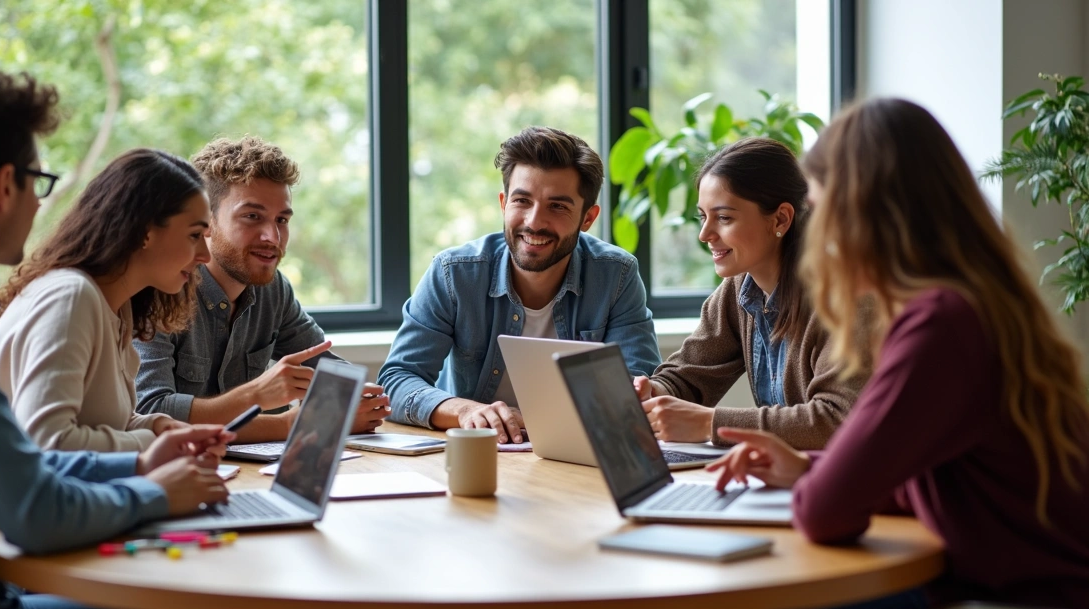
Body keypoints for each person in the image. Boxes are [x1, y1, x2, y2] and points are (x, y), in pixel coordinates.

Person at [672, 98, 1089, 609]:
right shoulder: (973, 302)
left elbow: (827, 515)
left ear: (865, 212)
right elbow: (934, 473)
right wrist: (806, 469)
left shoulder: (940, 326)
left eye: (822, 210)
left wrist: (817, 482)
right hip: (993, 590)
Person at [0, 64, 250, 609]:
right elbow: (32, 511)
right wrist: (150, 491)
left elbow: (16, 465)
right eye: (38, 183)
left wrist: (137, 462)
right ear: (5, 186)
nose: (38, 205)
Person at [378, 126, 660, 448]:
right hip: (477, 453)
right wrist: (467, 411)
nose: (534, 222)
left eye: (558, 206)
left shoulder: (616, 276)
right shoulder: (454, 274)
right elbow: (395, 382)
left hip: (574, 456)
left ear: (588, 218)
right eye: (522, 200)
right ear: (503, 203)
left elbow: (638, 387)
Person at [134, 136, 390, 443]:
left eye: (281, 220)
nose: (272, 236)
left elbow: (327, 369)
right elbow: (149, 412)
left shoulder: (273, 289)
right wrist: (296, 423)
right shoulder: (160, 286)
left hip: (249, 474)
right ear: (207, 222)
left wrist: (358, 399)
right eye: (252, 216)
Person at [633, 137, 867, 450]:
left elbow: (837, 421)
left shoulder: (848, 295)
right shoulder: (739, 289)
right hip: (786, 480)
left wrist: (708, 423)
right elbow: (687, 377)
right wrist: (651, 392)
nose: (705, 235)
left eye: (724, 218)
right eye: (703, 217)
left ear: (781, 219)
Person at [0, 148, 222, 454]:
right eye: (195, 235)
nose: (205, 256)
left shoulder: (118, 306)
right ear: (145, 232)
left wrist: (154, 425)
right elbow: (48, 442)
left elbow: (96, 421)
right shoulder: (71, 297)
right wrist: (156, 443)